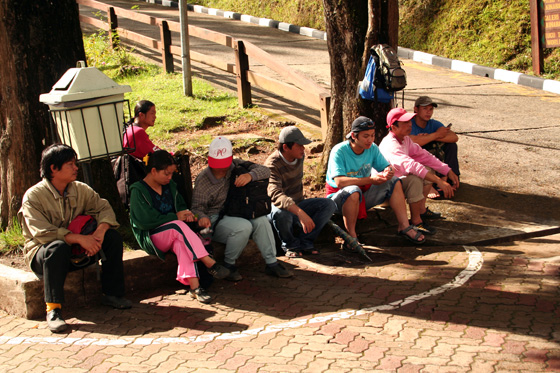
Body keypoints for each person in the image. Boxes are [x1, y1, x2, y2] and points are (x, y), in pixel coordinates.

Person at [18, 144, 131, 334]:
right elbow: (42, 233)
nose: (76, 168)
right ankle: (53, 310)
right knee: (57, 247)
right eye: (70, 164)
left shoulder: (80, 189)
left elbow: (104, 208)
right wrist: (79, 239)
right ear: (53, 168)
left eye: (75, 163)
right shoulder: (33, 196)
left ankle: (112, 294)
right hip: (43, 254)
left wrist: (100, 232)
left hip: (78, 252)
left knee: (112, 238)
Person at [129, 150, 231, 304]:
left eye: (172, 173)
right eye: (166, 174)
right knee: (177, 226)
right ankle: (210, 262)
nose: (170, 177)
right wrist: (176, 217)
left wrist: (187, 215)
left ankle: (195, 288)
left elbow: (181, 207)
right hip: (152, 236)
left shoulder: (170, 185)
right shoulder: (138, 190)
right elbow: (145, 221)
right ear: (154, 171)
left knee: (181, 243)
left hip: (176, 234)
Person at [191, 136, 293, 280]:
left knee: (262, 221)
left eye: (223, 164)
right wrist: (202, 217)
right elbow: (196, 207)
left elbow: (265, 171)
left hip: (236, 212)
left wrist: (250, 176)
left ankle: (272, 263)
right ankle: (229, 265)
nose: (220, 169)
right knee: (243, 227)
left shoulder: (237, 165)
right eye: (217, 164)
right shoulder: (203, 179)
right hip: (213, 221)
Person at [325, 117, 426, 245]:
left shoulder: (372, 148)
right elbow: (340, 182)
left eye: (372, 136)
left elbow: (386, 166)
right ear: (353, 136)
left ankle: (404, 226)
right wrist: (371, 179)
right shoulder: (339, 151)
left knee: (394, 181)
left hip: (363, 194)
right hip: (338, 199)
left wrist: (388, 171)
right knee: (353, 190)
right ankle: (351, 236)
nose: (370, 140)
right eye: (365, 136)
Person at [379, 108, 460, 234]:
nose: (410, 125)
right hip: (385, 189)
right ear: (394, 128)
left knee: (428, 169)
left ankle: (421, 210)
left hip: (398, 182)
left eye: (409, 121)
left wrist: (447, 170)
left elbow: (424, 156)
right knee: (415, 180)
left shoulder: (405, 139)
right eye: (405, 123)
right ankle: (416, 221)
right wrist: (439, 181)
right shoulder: (391, 144)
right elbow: (411, 166)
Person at [265, 126, 336, 257]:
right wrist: (300, 213)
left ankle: (306, 242)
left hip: (298, 205)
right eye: (299, 146)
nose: (303, 149)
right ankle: (291, 246)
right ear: (286, 147)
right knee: (282, 213)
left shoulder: (300, 157)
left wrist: (300, 211)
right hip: (277, 209)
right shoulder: (272, 164)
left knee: (329, 205)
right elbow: (275, 195)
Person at [410, 96, 460, 198]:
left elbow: (454, 137)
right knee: (421, 148)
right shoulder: (410, 123)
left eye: (431, 109)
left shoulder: (433, 123)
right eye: (425, 109)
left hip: (434, 160)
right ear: (416, 109)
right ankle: (429, 184)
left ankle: (452, 179)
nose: (428, 112)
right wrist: (435, 135)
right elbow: (411, 141)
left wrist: (432, 137)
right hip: (416, 163)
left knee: (451, 145)